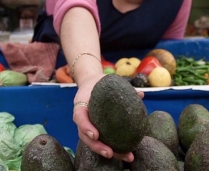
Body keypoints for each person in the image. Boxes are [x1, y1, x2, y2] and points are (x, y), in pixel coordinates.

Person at [32, 0, 192, 162]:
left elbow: (164, 54)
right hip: (70, 71)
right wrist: (90, 76)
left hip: (130, 87)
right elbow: (75, 6)